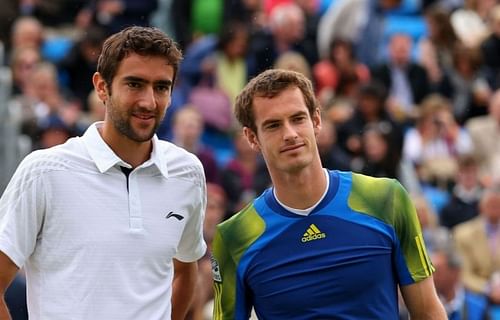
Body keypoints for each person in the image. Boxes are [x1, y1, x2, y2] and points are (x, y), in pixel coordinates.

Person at [0, 26, 207, 320]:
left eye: (161, 87)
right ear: (101, 87)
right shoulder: (43, 172)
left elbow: (186, 272)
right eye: (134, 84)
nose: (149, 102)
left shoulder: (188, 172)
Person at [211, 69, 446, 319]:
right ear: (251, 137)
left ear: (316, 121)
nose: (290, 134)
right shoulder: (234, 237)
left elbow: (428, 311)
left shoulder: (386, 198)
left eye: (298, 119)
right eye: (273, 125)